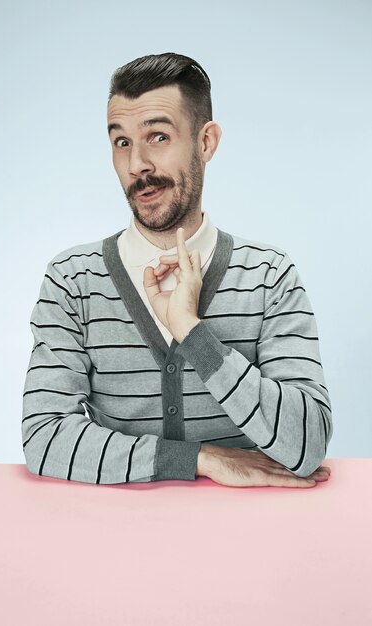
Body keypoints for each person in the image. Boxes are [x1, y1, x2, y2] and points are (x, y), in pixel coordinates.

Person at [22, 52, 332, 488]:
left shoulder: (268, 277)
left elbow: (307, 443)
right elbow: (43, 437)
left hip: (251, 540)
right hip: (111, 539)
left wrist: (192, 331)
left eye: (159, 137)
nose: (137, 166)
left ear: (206, 142)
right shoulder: (73, 280)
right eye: (122, 142)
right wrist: (197, 459)